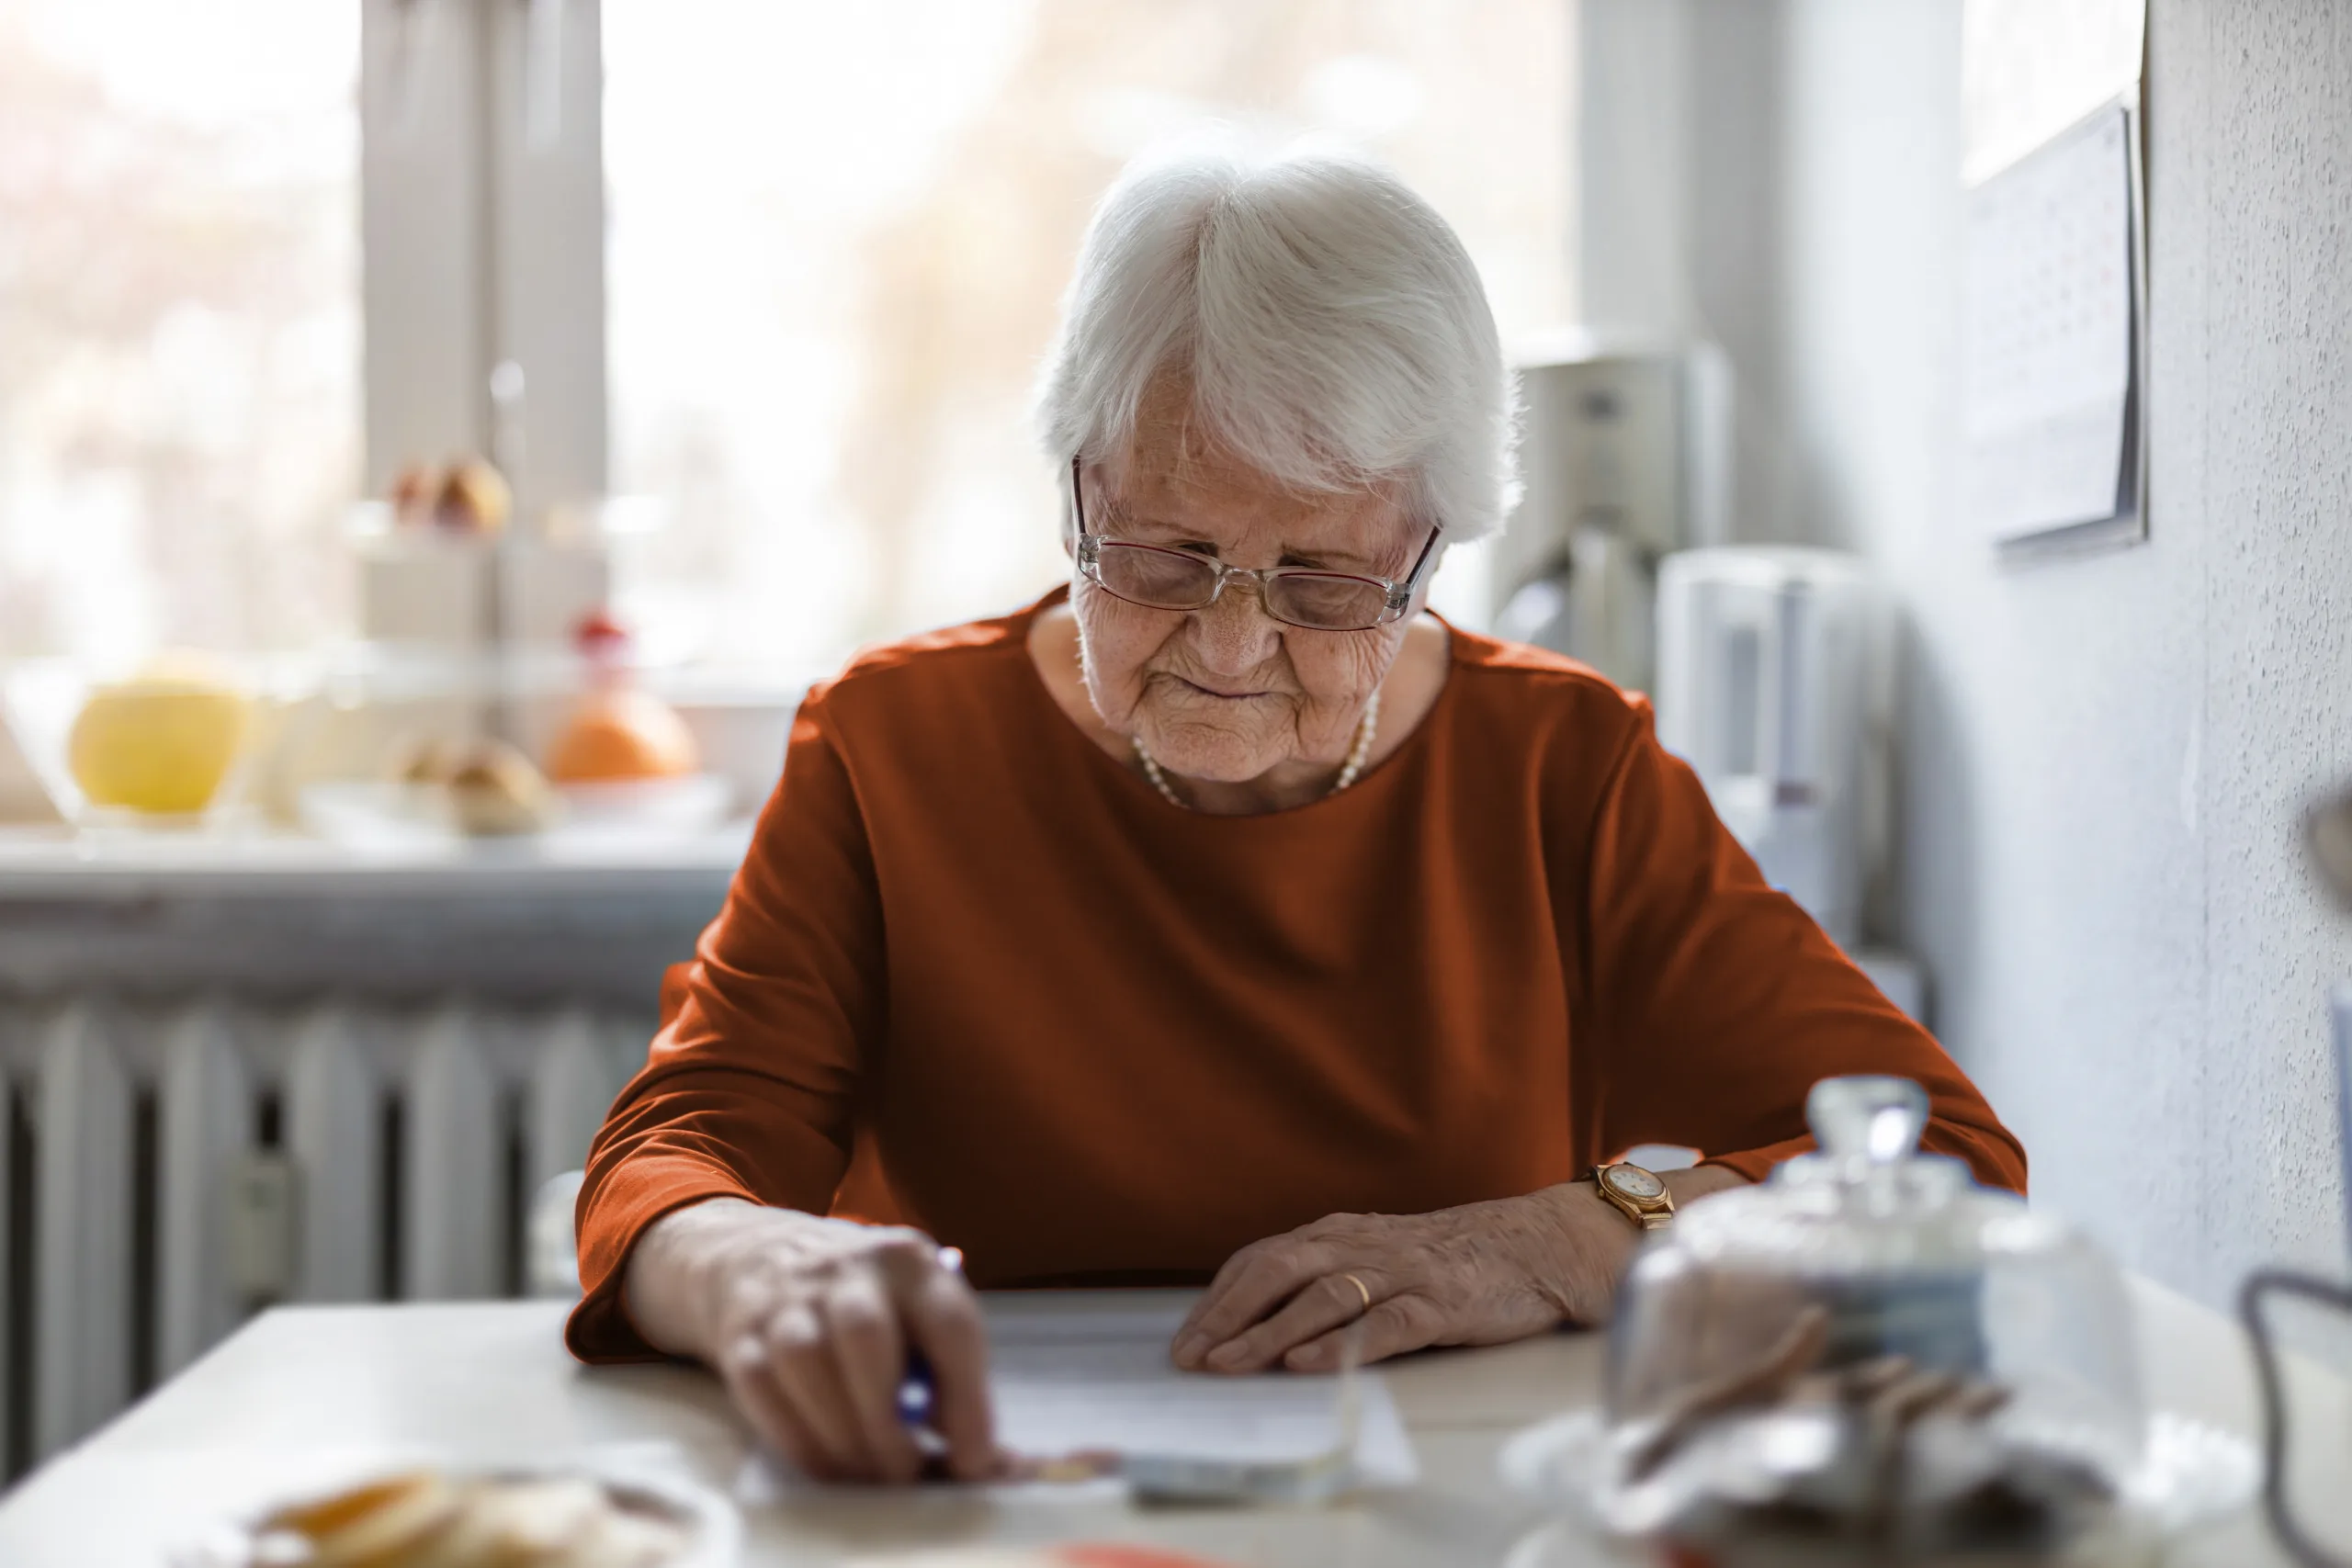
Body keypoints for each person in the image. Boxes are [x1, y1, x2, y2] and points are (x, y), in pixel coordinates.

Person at [567, 142, 2026, 1485]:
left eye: (1325, 583)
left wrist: (1566, 1237)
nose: (1226, 645)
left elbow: (1944, 1157)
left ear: (1428, 550)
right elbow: (681, 1144)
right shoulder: (894, 743)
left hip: (1441, 1500)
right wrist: (747, 1263)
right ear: (1075, 486)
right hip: (996, 1494)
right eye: (1159, 555)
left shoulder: (1557, 763)